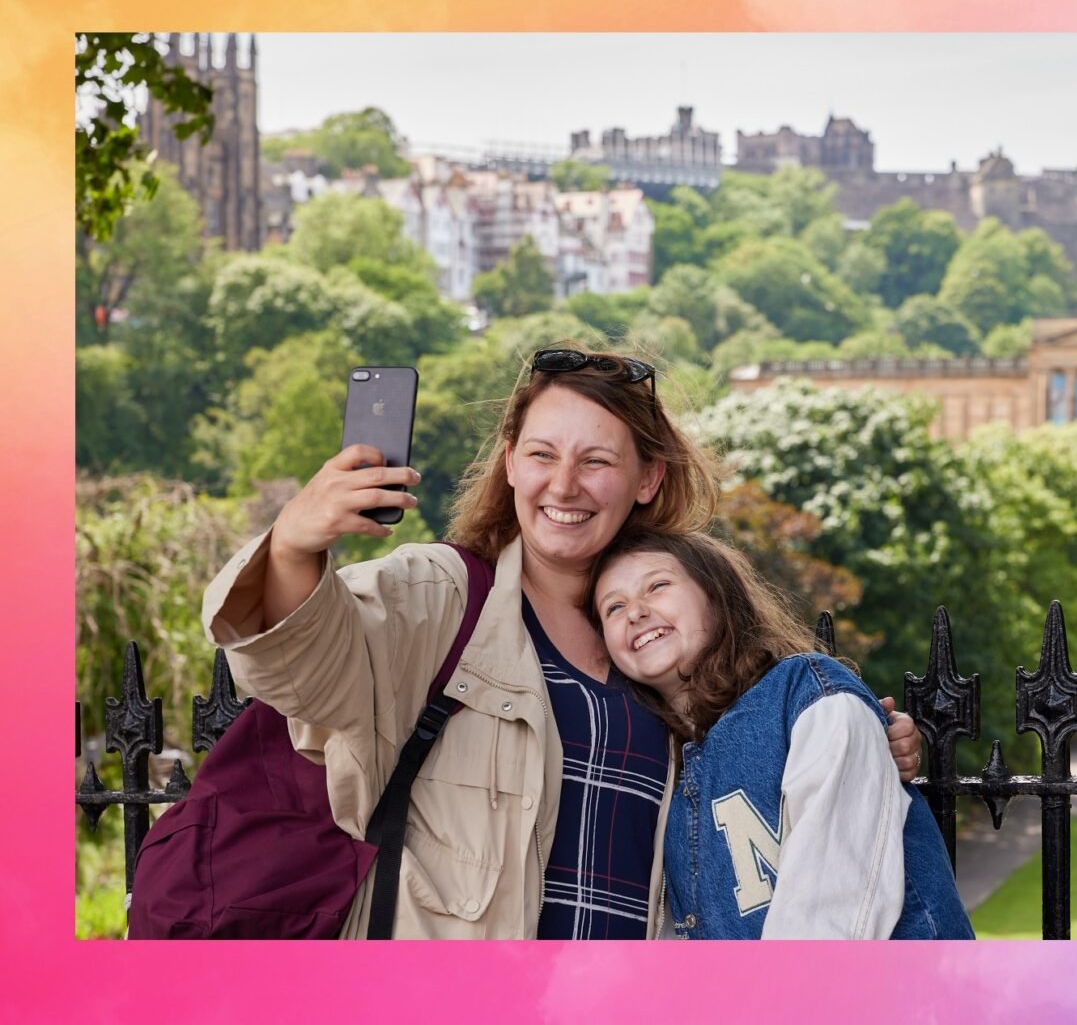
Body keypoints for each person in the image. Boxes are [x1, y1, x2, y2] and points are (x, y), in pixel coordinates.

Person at [201, 345, 923, 939]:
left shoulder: (672, 637)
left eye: (598, 461)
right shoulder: (440, 595)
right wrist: (295, 546)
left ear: (648, 478)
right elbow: (301, 673)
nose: (565, 485)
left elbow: (770, 761)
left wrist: (860, 732)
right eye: (543, 454)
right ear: (511, 462)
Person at [590, 528, 974, 940]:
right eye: (613, 608)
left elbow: (834, 907)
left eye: (658, 585)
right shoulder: (661, 767)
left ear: (717, 595)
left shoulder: (806, 695)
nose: (635, 612)